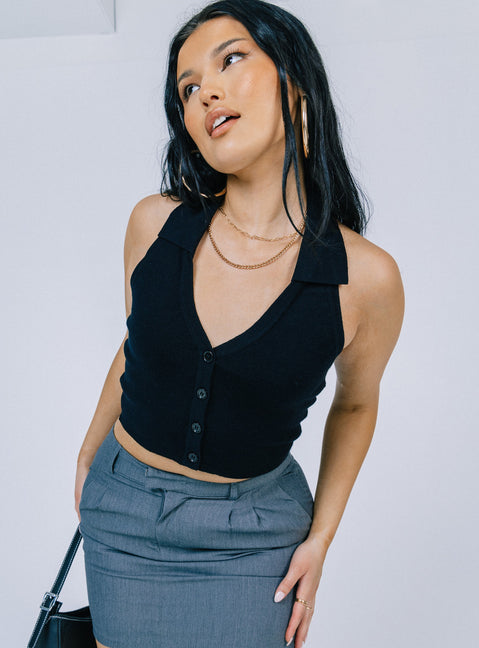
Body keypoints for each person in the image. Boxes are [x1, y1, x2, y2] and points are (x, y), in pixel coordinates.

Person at [74, 1, 405, 647]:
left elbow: (357, 403)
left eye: (230, 60)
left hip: (252, 538)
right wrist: (89, 453)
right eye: (188, 88)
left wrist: (320, 540)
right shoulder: (154, 224)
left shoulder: (365, 277)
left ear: (295, 82)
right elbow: (137, 345)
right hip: (121, 514)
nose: (206, 92)